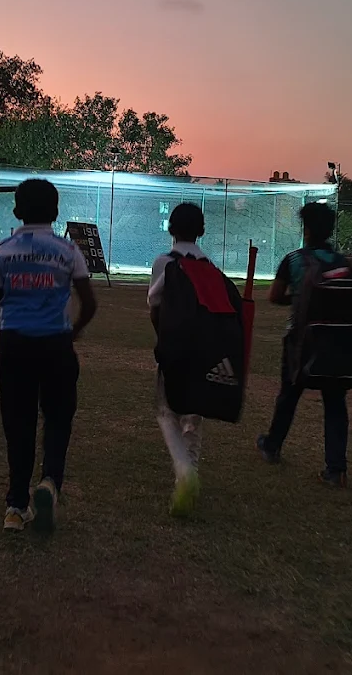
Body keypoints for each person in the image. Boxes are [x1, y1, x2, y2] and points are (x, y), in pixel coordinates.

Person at [0, 179, 98, 533]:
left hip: (14, 345)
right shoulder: (67, 251)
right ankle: (50, 480)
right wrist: (73, 331)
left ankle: (16, 507)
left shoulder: (2, 250)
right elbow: (89, 303)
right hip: (55, 345)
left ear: (17, 211)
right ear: (55, 211)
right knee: (58, 417)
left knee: (17, 423)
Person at [255, 202, 352, 486]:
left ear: (307, 230)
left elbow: (275, 296)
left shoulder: (295, 260)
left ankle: (272, 445)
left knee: (289, 395)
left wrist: (299, 298)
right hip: (338, 343)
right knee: (335, 402)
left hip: (303, 343)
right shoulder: (345, 263)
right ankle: (336, 468)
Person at [148, 203, 212, 516]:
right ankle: (188, 477)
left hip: (173, 350)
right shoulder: (208, 264)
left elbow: (154, 304)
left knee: (165, 412)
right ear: (201, 231)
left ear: (171, 229)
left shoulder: (165, 262)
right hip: (203, 351)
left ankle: (184, 474)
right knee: (193, 417)